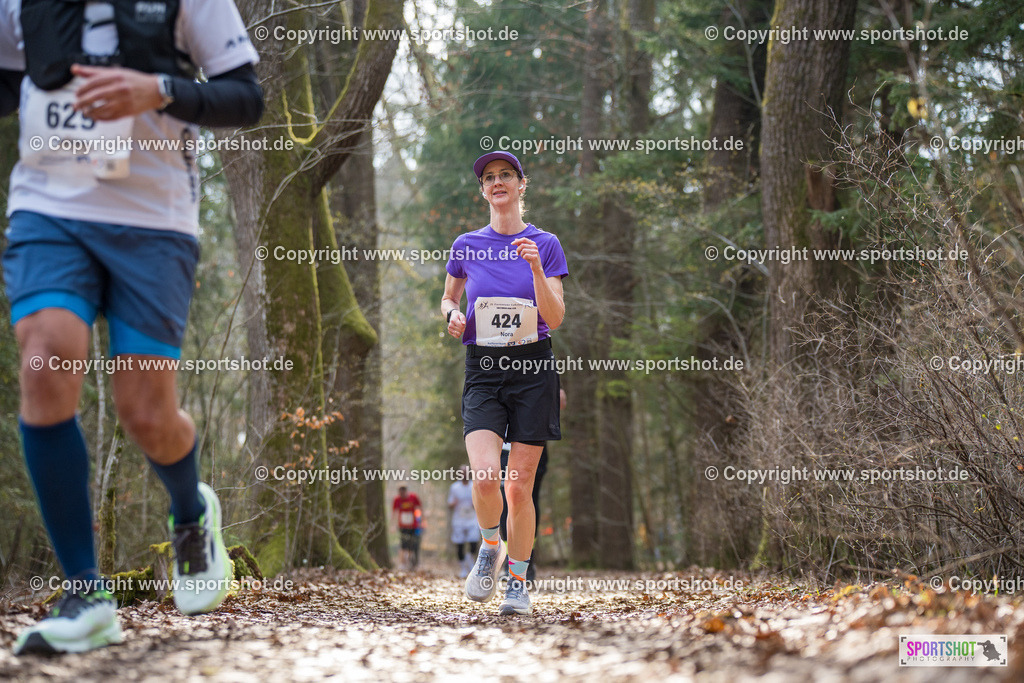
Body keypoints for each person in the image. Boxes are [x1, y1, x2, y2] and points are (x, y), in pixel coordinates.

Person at [0, 0, 262, 655]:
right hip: (49, 207)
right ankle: (86, 593)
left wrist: (163, 90)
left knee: (145, 412)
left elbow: (247, 97)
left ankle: (191, 514)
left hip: (155, 220)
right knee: (45, 355)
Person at [442, 151, 567, 616]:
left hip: (534, 370)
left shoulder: (546, 243)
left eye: (505, 176)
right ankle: (490, 545)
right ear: (483, 190)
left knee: (519, 487)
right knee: (485, 474)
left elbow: (555, 317)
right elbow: (448, 297)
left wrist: (536, 269)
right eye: (489, 178)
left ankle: (517, 583)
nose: (497, 182)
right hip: (483, 369)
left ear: (520, 185)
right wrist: (453, 315)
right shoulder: (466, 244)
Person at [498, 388, 564, 582]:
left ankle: (528, 560)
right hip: (504, 448)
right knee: (507, 501)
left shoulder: (536, 362)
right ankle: (509, 561)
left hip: (534, 444)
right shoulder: (493, 364)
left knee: (528, 499)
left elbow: (560, 399)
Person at [448, 465, 478, 578]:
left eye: (466, 472)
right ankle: (463, 569)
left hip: (472, 519)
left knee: (473, 542)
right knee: (459, 544)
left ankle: (470, 563)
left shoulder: (474, 486)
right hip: (459, 519)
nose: (464, 474)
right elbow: (449, 503)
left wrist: (475, 504)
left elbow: (480, 502)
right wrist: (453, 504)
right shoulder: (454, 487)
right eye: (462, 473)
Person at [392, 485, 423, 570]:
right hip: (403, 525)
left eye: (403, 493)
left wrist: (420, 520)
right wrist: (393, 525)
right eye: (400, 493)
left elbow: (419, 508)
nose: (402, 495)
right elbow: (395, 512)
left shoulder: (413, 497)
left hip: (413, 525)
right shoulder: (397, 499)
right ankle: (402, 563)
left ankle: (410, 562)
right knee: (403, 545)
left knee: (412, 545)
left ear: (406, 491)